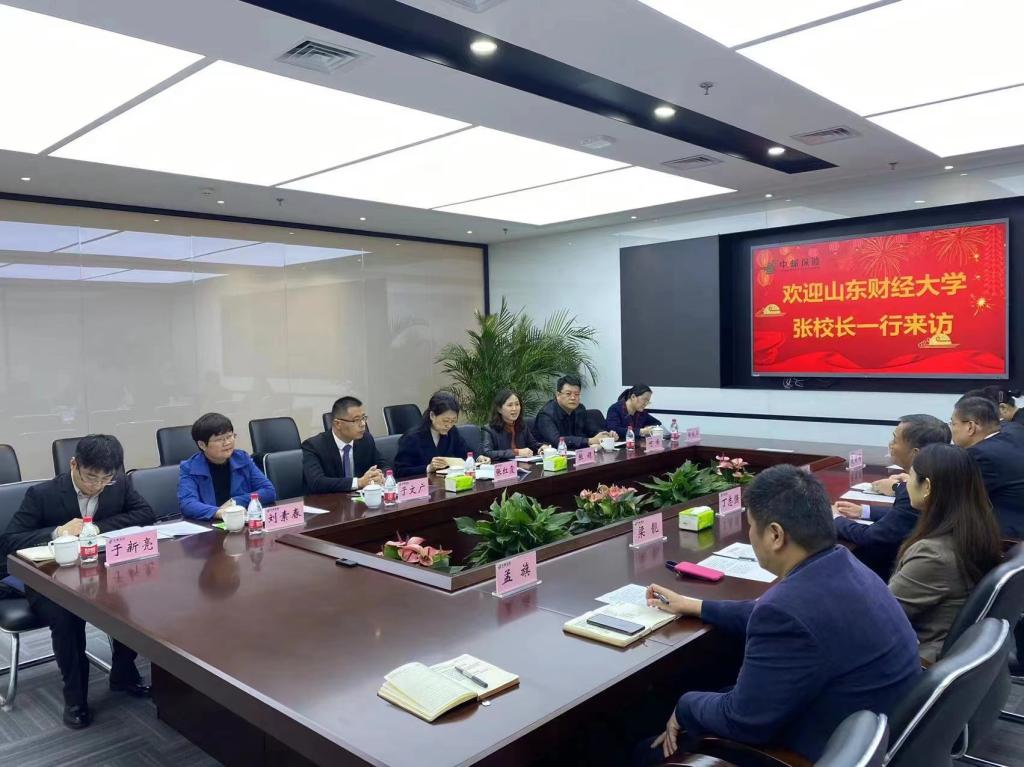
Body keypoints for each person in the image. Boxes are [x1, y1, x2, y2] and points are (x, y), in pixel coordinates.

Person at [638, 465, 920, 764]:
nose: (750, 534)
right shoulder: (845, 566)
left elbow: (743, 721)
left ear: (775, 535)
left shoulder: (786, 610)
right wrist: (695, 605)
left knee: (645, 751)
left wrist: (684, 706)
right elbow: (780, 614)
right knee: (719, 686)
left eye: (751, 525)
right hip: (877, 735)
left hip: (815, 749)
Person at [0, 435, 154, 728]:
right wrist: (58, 532)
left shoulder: (119, 485)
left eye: (105, 479)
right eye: (91, 477)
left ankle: (123, 673)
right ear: (74, 464)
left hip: (102, 572)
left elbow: (145, 514)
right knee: (66, 618)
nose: (97, 485)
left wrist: (95, 528)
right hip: (50, 578)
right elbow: (9, 540)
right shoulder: (42, 494)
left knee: (134, 601)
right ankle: (75, 698)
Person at [888, 443, 1002, 662]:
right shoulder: (975, 528)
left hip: (917, 658)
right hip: (947, 647)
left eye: (910, 476)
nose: (906, 483)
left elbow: (881, 616)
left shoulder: (932, 555)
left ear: (927, 486)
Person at [832, 414, 951, 579]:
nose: (890, 444)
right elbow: (905, 517)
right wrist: (864, 511)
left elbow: (873, 537)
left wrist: (834, 518)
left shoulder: (920, 491)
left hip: (893, 572)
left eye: (895, 440)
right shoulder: (944, 476)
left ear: (916, 453)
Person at [178, 412, 276, 520]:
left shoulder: (242, 458)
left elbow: (268, 491)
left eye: (230, 436)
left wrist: (235, 502)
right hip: (209, 524)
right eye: (219, 439)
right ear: (202, 445)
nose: (227, 443)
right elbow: (187, 504)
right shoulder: (190, 468)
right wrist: (218, 512)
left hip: (239, 521)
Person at [950, 396, 1024, 538]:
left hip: (1006, 538)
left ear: (970, 427)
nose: (951, 429)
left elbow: (950, 497)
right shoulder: (1014, 433)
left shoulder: (979, 455)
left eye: (953, 423)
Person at [302, 396, 389, 493]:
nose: (363, 424)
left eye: (363, 418)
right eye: (356, 420)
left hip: (360, 499)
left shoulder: (366, 439)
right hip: (328, 500)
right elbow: (317, 482)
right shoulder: (313, 446)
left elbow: (384, 465)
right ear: (338, 424)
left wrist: (379, 476)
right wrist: (359, 482)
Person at [393, 391, 490, 478]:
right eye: (445, 420)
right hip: (424, 486)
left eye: (453, 421)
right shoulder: (412, 438)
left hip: (448, 483)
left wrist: (478, 458)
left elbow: (465, 451)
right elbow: (399, 471)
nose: (449, 425)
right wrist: (428, 468)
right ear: (432, 416)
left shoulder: (452, 431)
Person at [534, 374, 617, 449]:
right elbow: (557, 441)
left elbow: (592, 429)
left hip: (576, 454)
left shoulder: (580, 409)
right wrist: (590, 441)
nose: (573, 398)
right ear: (558, 395)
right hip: (553, 457)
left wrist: (605, 435)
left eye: (576, 394)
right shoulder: (545, 415)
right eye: (568, 394)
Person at [480, 389, 544, 460]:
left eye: (517, 404)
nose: (514, 408)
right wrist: (516, 452)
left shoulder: (521, 426)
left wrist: (542, 447)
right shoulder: (488, 429)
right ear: (499, 409)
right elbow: (487, 453)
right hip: (501, 466)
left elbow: (534, 445)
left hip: (522, 465)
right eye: (510, 405)